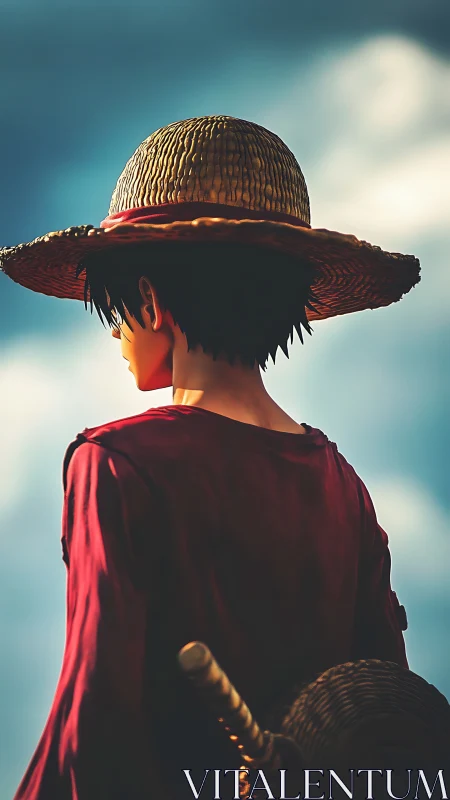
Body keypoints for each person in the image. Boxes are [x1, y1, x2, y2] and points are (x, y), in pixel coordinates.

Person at [0, 115, 418, 800]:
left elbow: (95, 719)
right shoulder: (344, 485)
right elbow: (388, 717)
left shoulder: (116, 463)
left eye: (114, 310)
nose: (114, 333)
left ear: (148, 298)